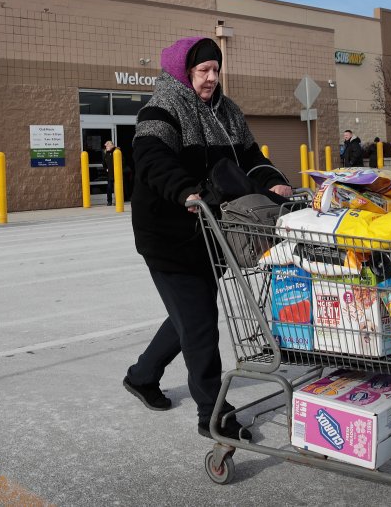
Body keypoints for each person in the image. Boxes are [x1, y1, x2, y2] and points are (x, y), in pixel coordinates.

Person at [124, 36, 293, 440]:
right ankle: (212, 413)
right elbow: (150, 158)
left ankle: (141, 376)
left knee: (189, 315)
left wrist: (274, 182)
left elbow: (251, 158)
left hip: (211, 232)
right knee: (199, 322)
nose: (212, 77)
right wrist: (183, 189)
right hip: (168, 233)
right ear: (185, 71)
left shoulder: (228, 112)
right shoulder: (162, 108)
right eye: (204, 70)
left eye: (216, 70)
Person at [101, 140, 116, 205]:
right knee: (109, 188)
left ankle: (119, 200)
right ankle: (109, 201)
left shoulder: (116, 152)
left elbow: (122, 162)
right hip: (110, 175)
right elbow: (104, 163)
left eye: (107, 146)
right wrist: (106, 169)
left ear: (110, 145)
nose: (106, 147)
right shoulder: (106, 154)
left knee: (118, 187)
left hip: (116, 173)